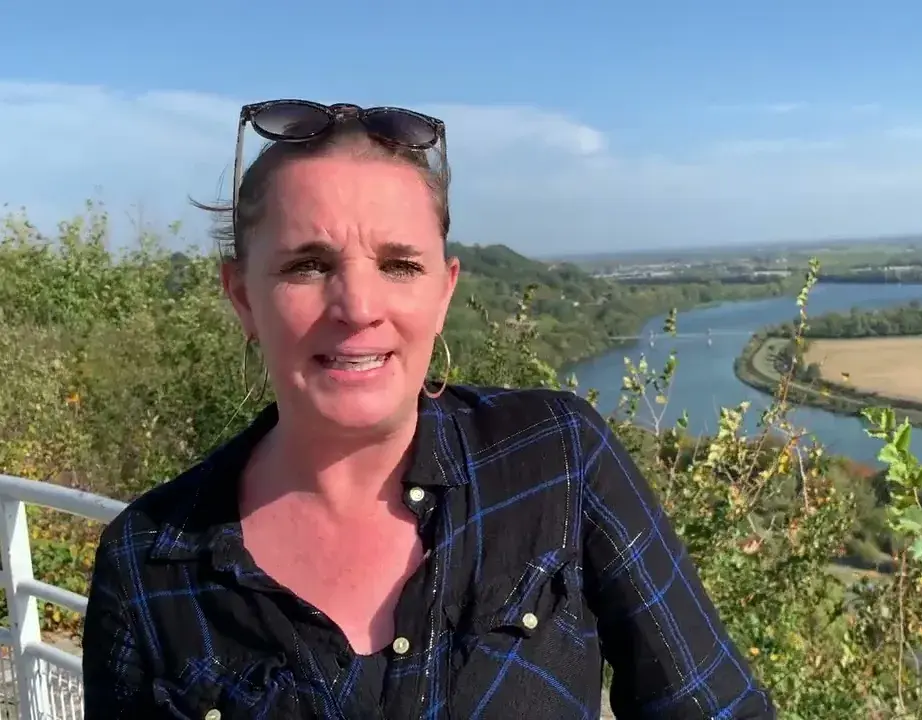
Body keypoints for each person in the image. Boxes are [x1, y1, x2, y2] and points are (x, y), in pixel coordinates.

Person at [81, 100, 774, 719]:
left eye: (400, 265)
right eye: (307, 265)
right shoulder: (150, 563)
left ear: (443, 293)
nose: (358, 308)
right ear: (242, 297)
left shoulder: (554, 460)